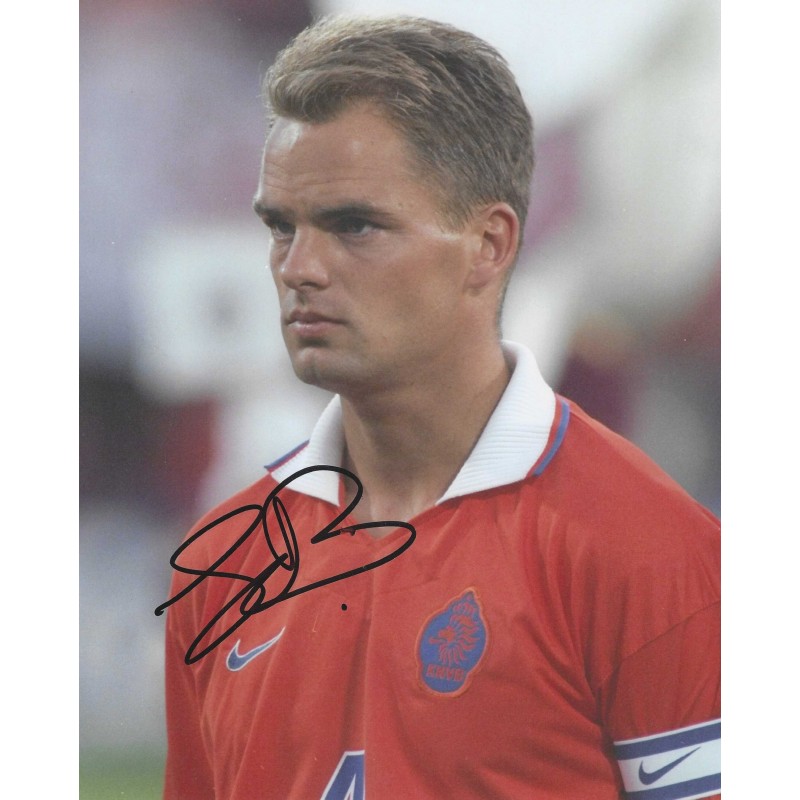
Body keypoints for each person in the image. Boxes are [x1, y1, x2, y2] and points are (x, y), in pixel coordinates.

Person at [158, 15, 720, 800]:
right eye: (282, 226)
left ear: (489, 245)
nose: (299, 267)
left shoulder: (649, 556)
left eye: (355, 225)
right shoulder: (222, 562)